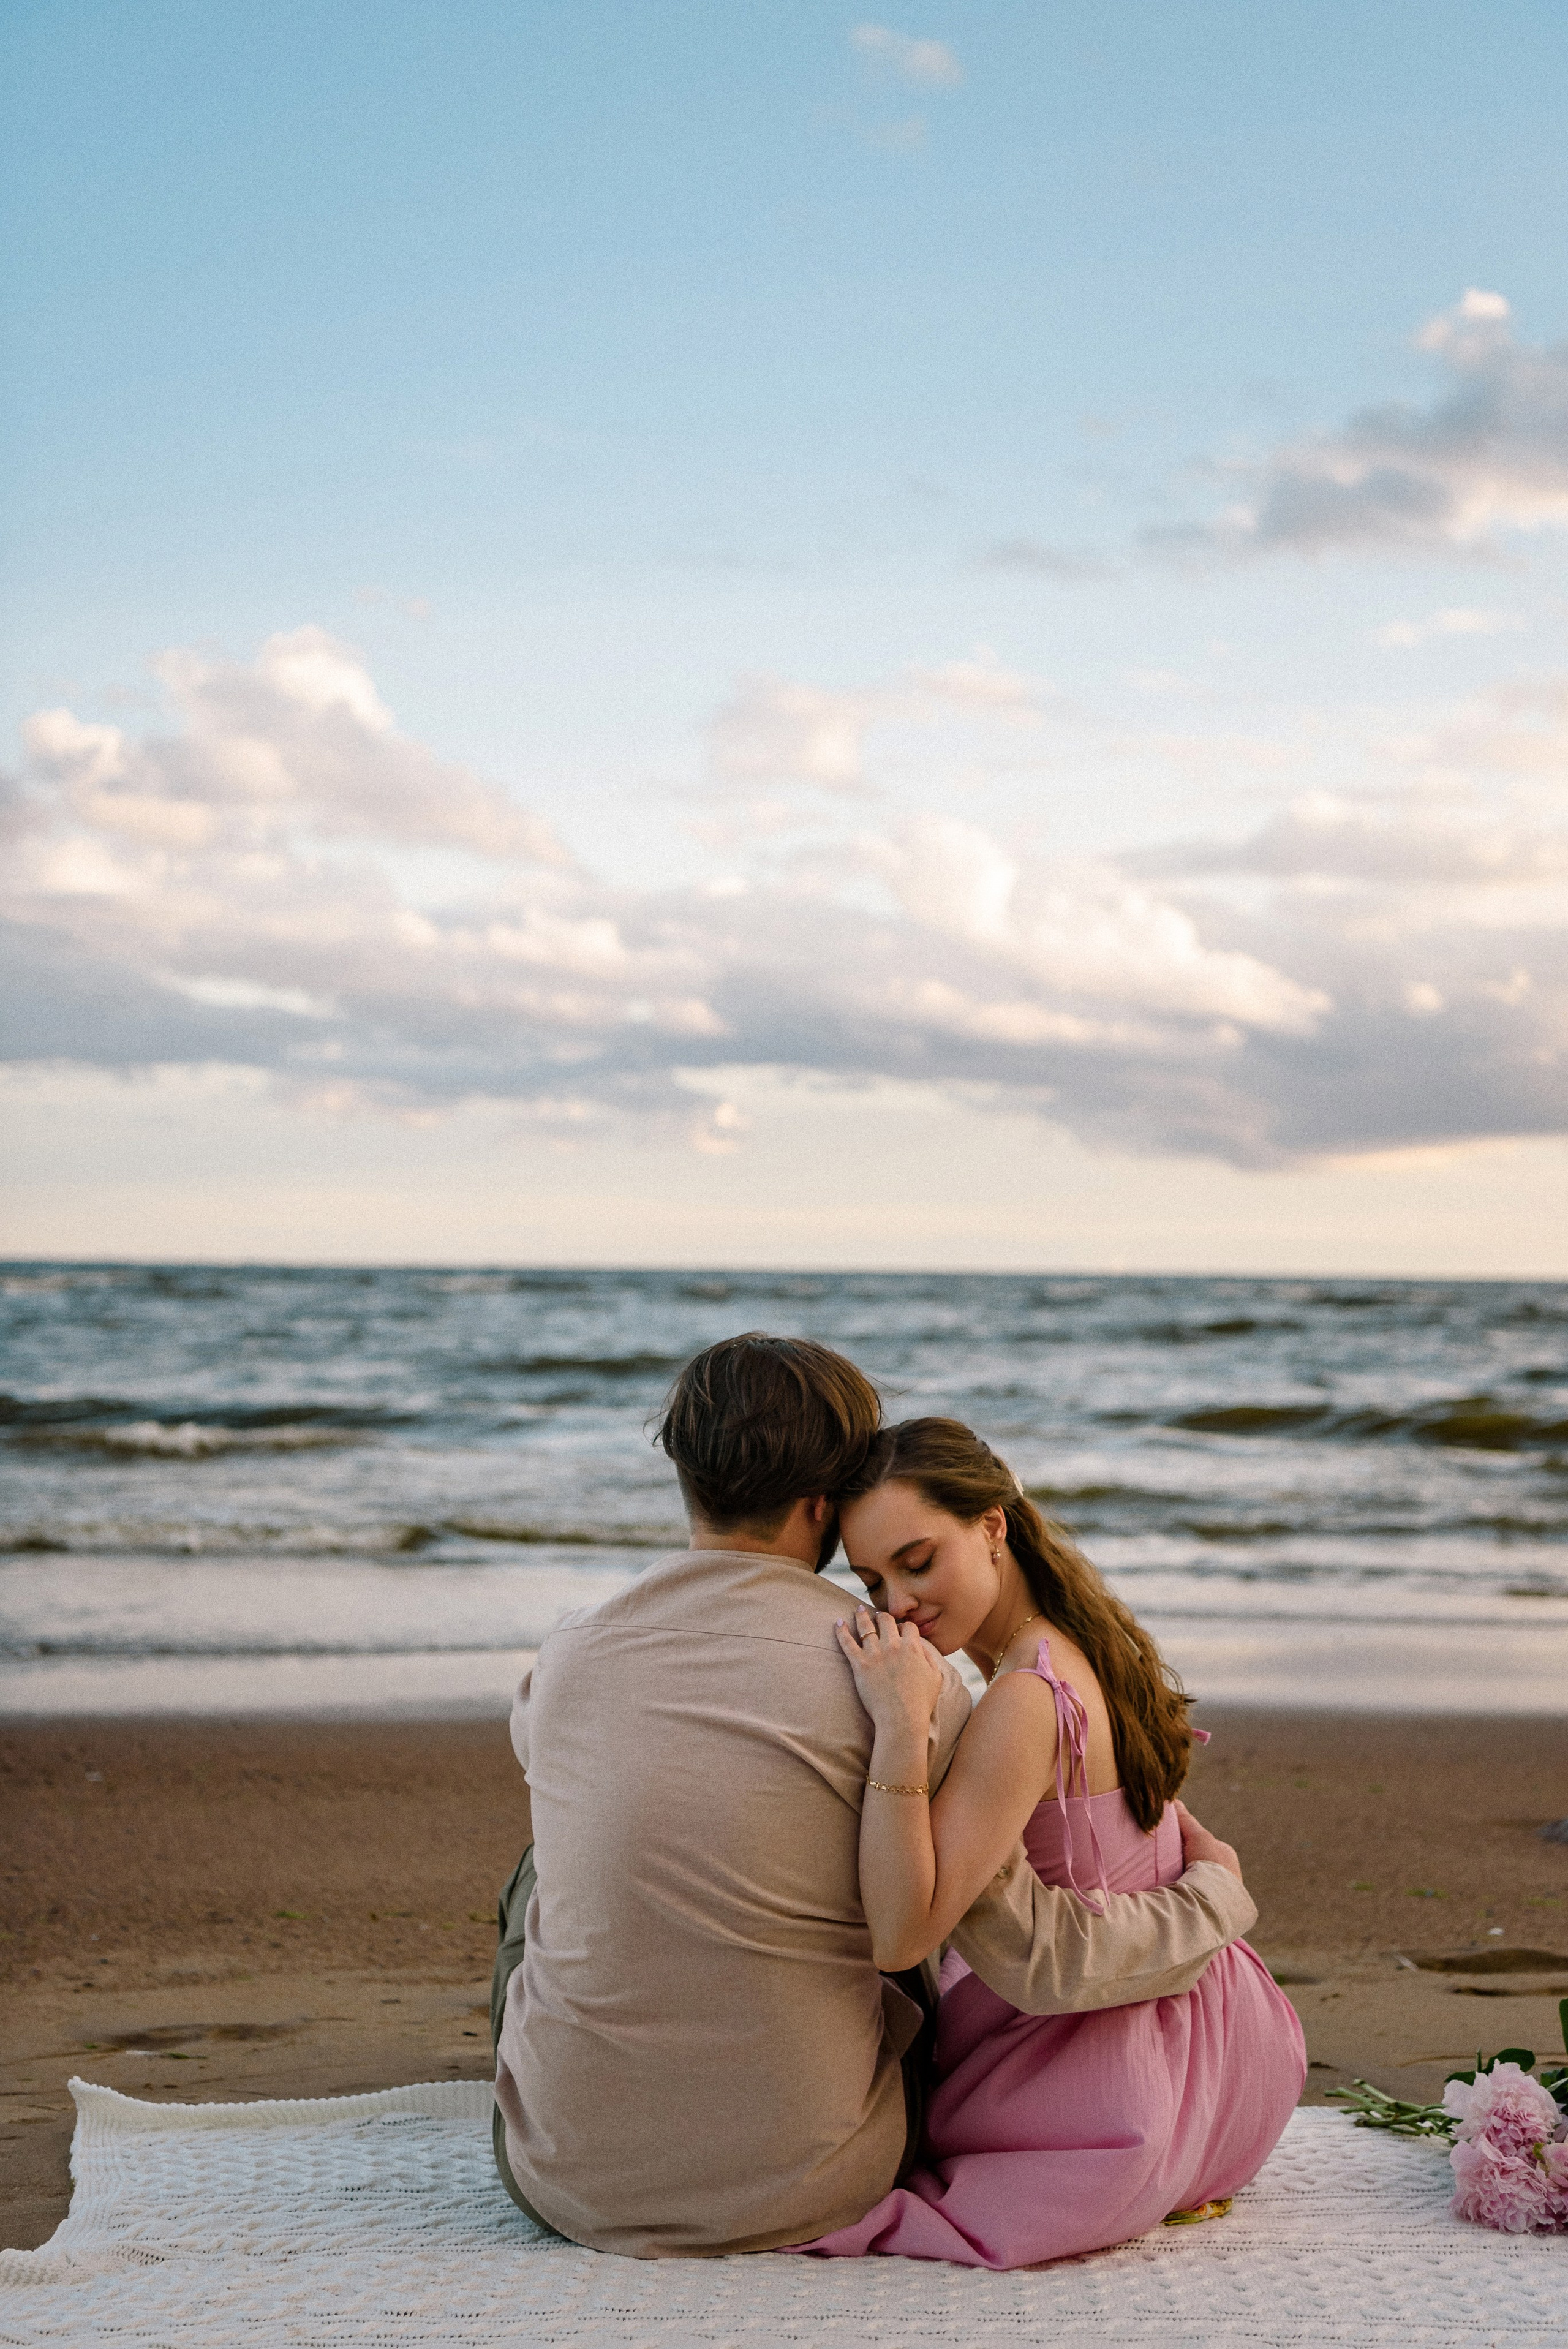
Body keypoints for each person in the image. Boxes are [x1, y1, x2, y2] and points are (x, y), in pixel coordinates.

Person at [491, 1335, 1261, 2257]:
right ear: (825, 1505)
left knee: (544, 1872)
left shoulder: (567, 1656)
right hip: (816, 2180)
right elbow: (976, 1937)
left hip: (563, 2183)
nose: (893, 1600)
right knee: (872, 1872)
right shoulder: (912, 1679)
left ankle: (597, 2098)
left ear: (683, 1474)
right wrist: (1216, 1893)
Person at [802, 1416, 1306, 2268]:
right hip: (1231, 2054)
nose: (898, 1606)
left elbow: (904, 1933)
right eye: (873, 1580)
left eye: (918, 1561)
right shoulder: (1091, 1642)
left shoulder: (1024, 1698)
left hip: (1101, 2095)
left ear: (993, 1525)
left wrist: (900, 1725)